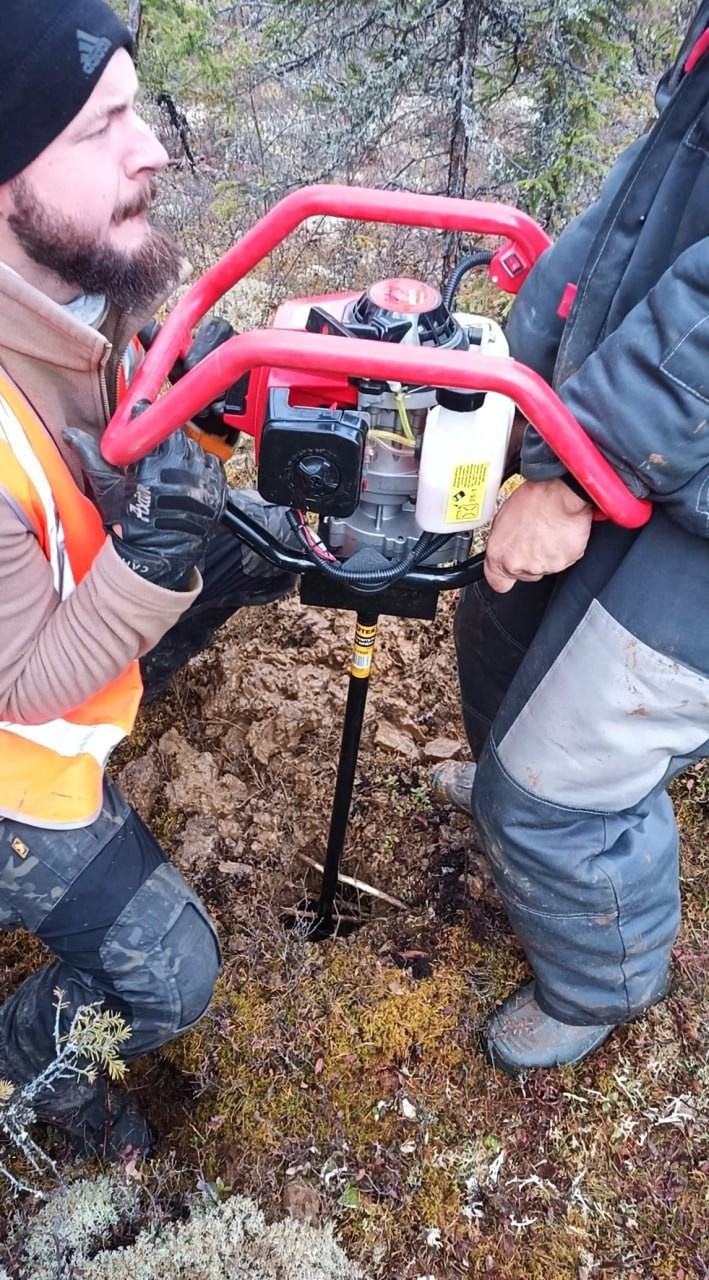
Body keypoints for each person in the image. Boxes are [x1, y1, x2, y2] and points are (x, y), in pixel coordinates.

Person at [0, 0, 295, 1157]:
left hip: (52, 627)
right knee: (173, 978)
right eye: (100, 125)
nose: (152, 148)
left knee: (253, 540)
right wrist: (154, 549)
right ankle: (31, 1069)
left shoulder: (66, 292)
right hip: (17, 751)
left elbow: (109, 437)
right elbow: (22, 679)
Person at [433, 1, 709, 1074]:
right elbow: (633, 220)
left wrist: (586, 466)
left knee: (562, 786)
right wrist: (511, 371)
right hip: (664, 429)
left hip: (688, 483)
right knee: (499, 611)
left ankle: (607, 974)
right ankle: (520, 785)